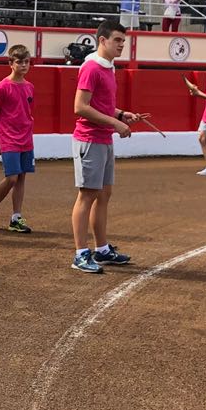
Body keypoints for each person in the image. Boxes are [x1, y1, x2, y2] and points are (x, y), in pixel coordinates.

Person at [70, 19, 146, 275]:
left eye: (123, 41)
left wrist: (121, 114)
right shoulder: (92, 68)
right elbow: (80, 106)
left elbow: (100, 105)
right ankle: (81, 253)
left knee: (103, 195)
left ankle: (101, 249)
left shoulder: (108, 67)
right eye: (117, 40)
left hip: (102, 138)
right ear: (102, 40)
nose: (122, 45)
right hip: (90, 139)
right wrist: (115, 122)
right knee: (87, 195)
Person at [0, 44, 35, 233]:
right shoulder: (1, 88)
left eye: (26, 62)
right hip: (8, 137)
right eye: (19, 62)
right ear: (11, 63)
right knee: (11, 178)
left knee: (21, 177)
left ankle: (16, 218)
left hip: (26, 138)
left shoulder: (29, 87)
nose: (24, 65)